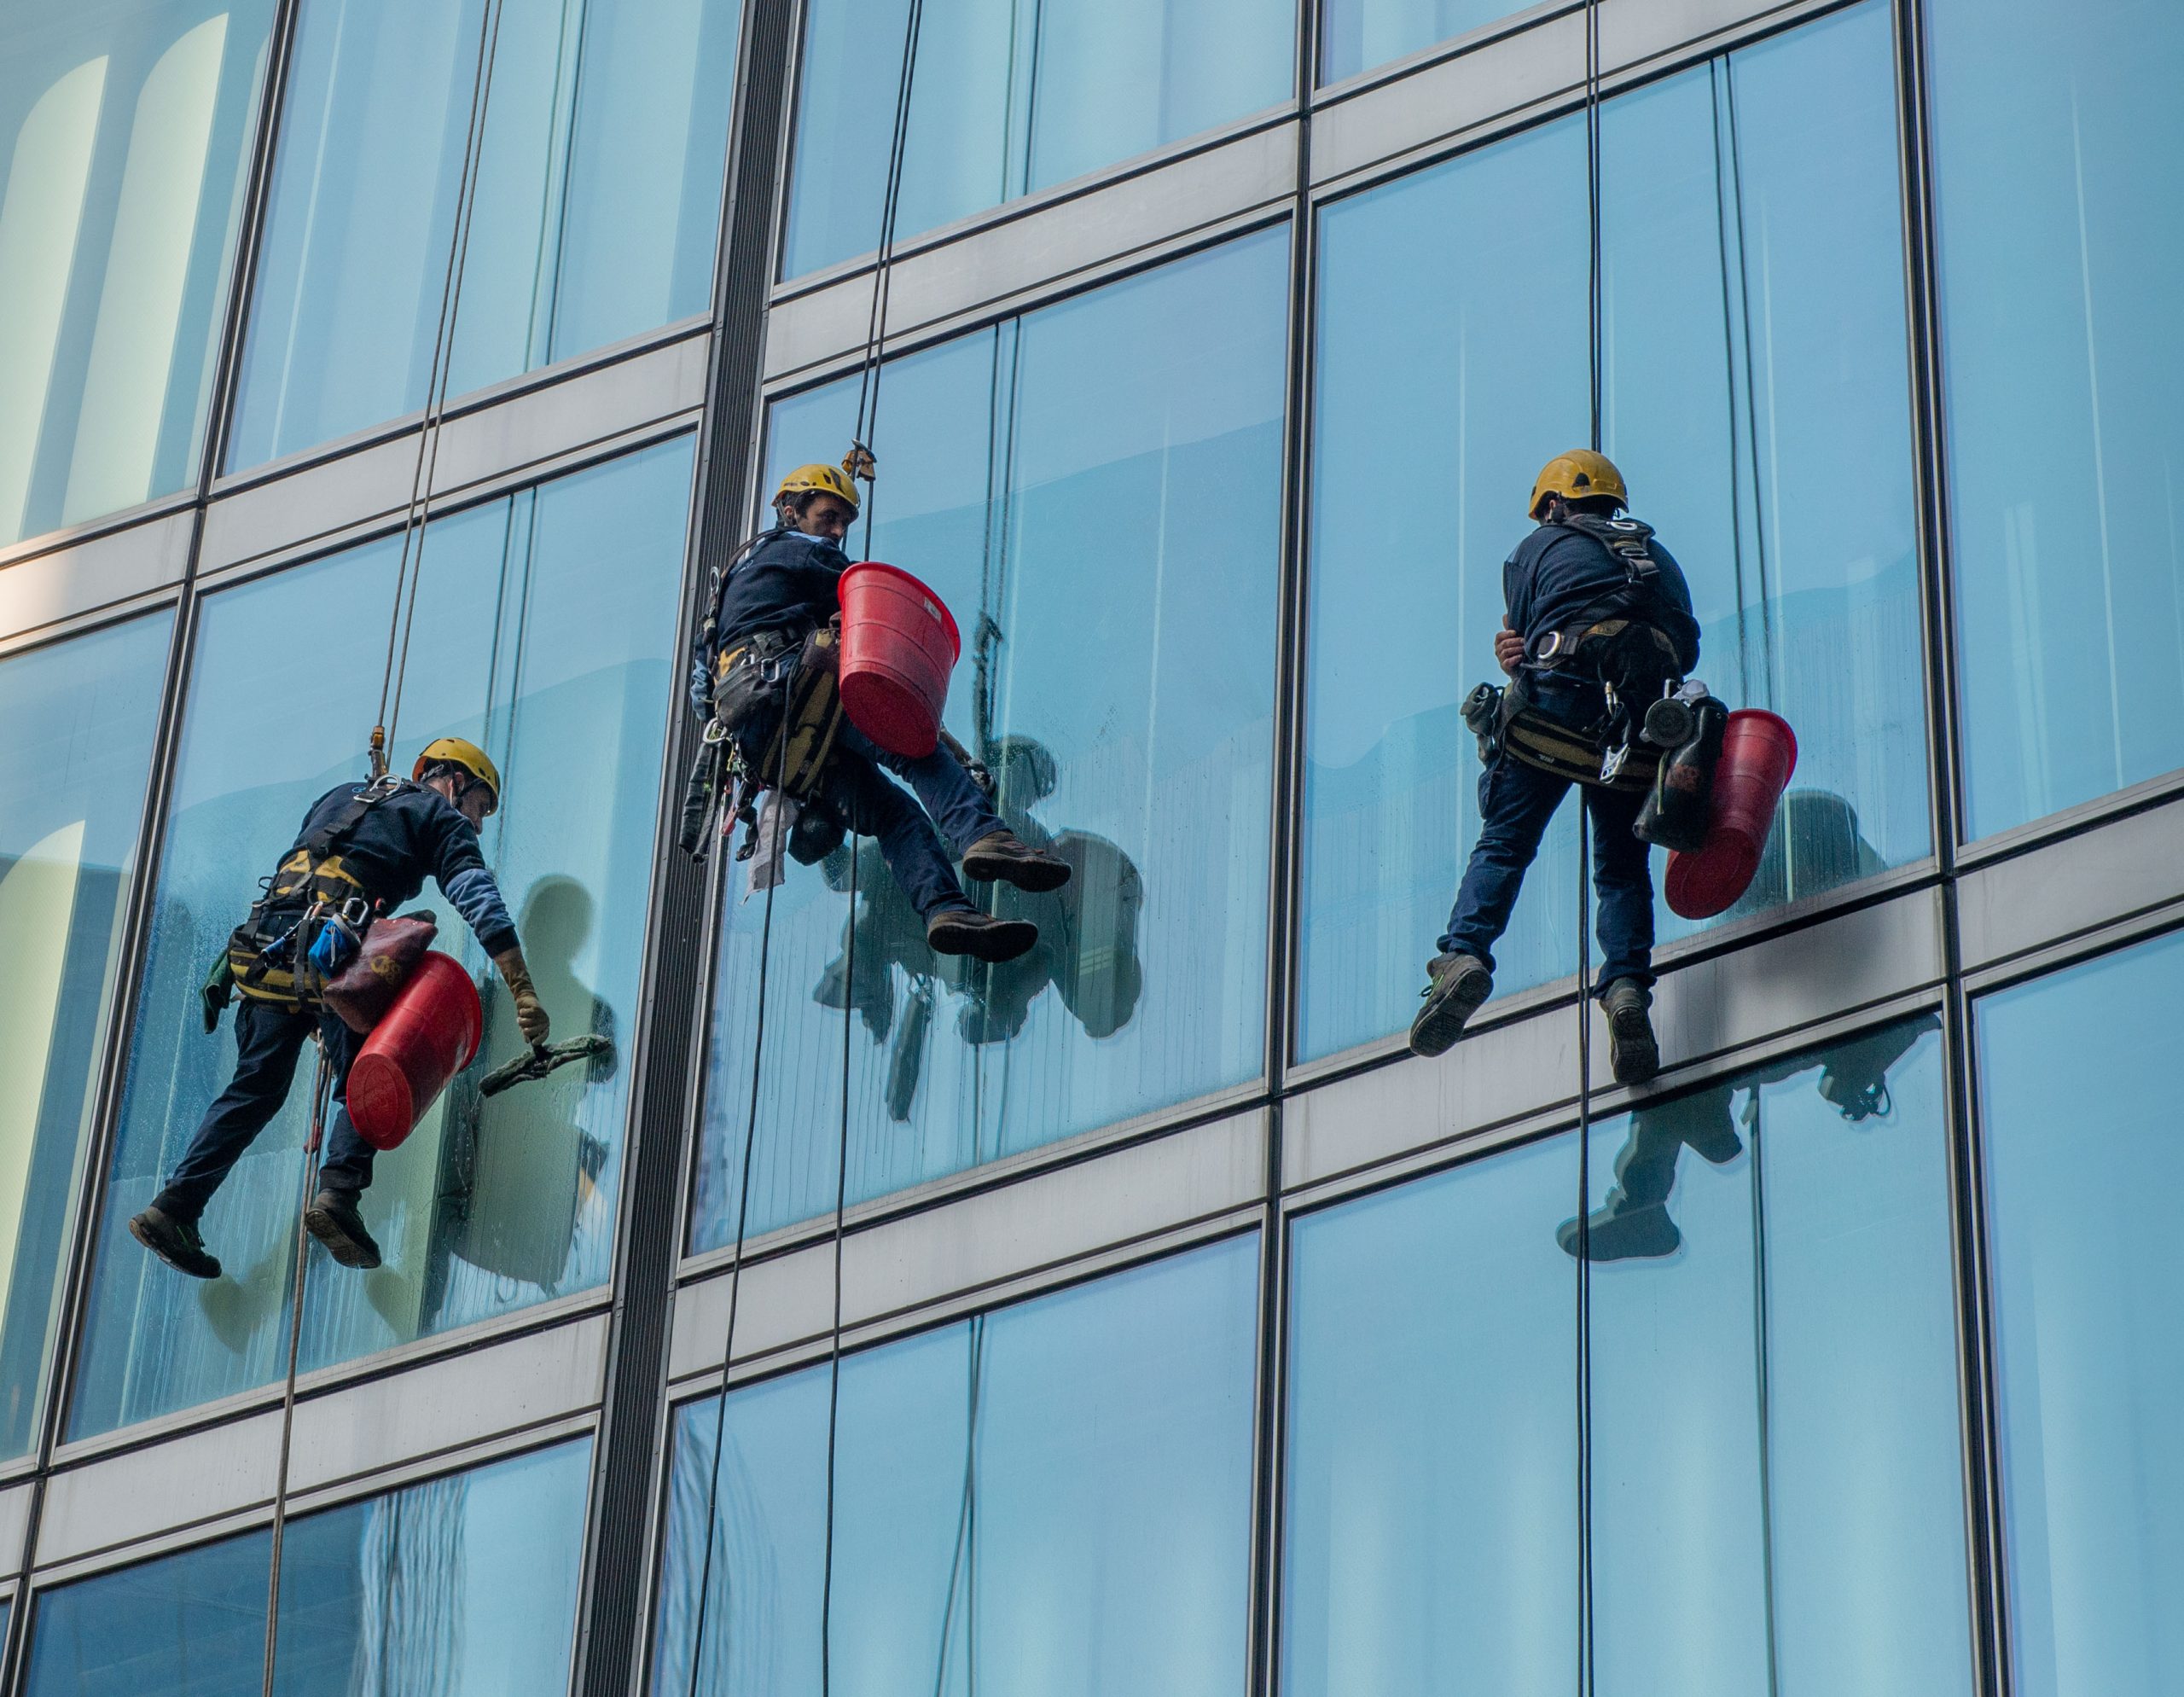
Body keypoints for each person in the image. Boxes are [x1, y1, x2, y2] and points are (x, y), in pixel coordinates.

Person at [129, 737, 547, 1280]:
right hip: (337, 956)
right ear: (453, 781)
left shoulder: (340, 795)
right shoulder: (435, 815)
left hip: (263, 954)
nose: (478, 824)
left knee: (254, 1090)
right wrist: (522, 989)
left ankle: (174, 1208)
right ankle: (338, 1197)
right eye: (480, 805)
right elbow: (477, 896)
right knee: (369, 1069)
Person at [690, 461, 1069, 962]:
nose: (838, 532)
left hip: (767, 746)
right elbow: (866, 596)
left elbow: (702, 696)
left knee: (896, 814)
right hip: (801, 689)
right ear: (789, 510)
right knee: (918, 749)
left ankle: (945, 910)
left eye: (845, 522)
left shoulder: (722, 599)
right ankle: (986, 837)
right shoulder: (797, 551)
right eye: (828, 516)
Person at [1410, 450, 1700, 1082]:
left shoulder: (1535, 547)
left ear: (1554, 504)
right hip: (1638, 725)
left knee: (1506, 841)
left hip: (1557, 706)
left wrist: (1517, 656)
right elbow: (1689, 639)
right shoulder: (1661, 559)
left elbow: (1527, 625)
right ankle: (1626, 989)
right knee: (1622, 871)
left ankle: (1464, 955)